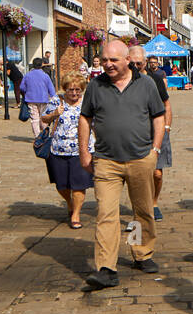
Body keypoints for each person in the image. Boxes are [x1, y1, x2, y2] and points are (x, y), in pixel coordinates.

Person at [78, 38, 166, 290]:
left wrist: (155, 149)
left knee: (141, 211)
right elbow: (85, 119)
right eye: (104, 60)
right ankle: (106, 267)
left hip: (140, 158)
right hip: (106, 161)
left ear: (128, 60)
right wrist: (84, 152)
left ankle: (141, 253)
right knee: (106, 214)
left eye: (113, 60)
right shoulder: (96, 85)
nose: (108, 65)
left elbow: (158, 117)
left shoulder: (146, 84)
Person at [40, 73, 95, 228]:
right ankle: (69, 203)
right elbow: (44, 118)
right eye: (71, 89)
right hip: (58, 149)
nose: (74, 93)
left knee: (79, 184)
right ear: (65, 89)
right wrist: (54, 114)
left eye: (78, 89)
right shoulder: (56, 100)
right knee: (61, 185)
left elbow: (97, 122)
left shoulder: (86, 102)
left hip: (82, 150)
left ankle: (76, 214)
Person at [130, 45, 171, 222]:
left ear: (145, 63)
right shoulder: (124, 81)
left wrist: (167, 127)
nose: (136, 66)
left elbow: (166, 104)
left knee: (157, 173)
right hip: (134, 133)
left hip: (156, 131)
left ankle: (154, 203)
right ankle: (138, 208)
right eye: (132, 62)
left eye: (139, 63)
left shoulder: (155, 80)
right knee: (136, 174)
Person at [19, 58, 57, 138]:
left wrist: (27, 90)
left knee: (34, 118)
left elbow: (22, 87)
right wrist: (54, 98)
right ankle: (45, 134)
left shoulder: (27, 75)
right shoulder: (45, 76)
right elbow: (51, 89)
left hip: (31, 99)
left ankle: (37, 136)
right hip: (44, 99)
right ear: (41, 65)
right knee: (43, 117)